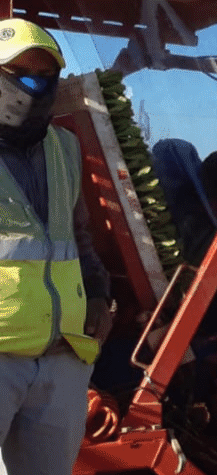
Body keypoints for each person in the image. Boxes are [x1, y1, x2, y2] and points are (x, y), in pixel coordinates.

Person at [0, 18, 114, 473]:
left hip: (61, 359)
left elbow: (77, 235)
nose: (32, 85)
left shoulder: (64, 147)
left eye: (43, 75)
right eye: (18, 73)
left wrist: (101, 293)